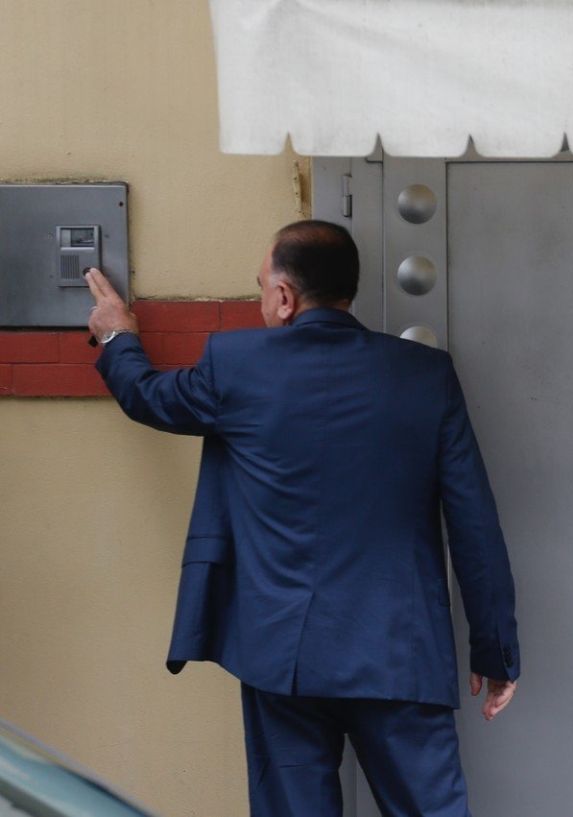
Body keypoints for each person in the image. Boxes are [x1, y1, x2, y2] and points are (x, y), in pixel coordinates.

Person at [84, 219, 519, 817]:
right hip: (400, 652)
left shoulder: (236, 364)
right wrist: (495, 651)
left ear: (285, 296)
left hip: (281, 654)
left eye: (262, 287)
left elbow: (149, 397)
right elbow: (474, 523)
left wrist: (116, 335)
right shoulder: (426, 375)